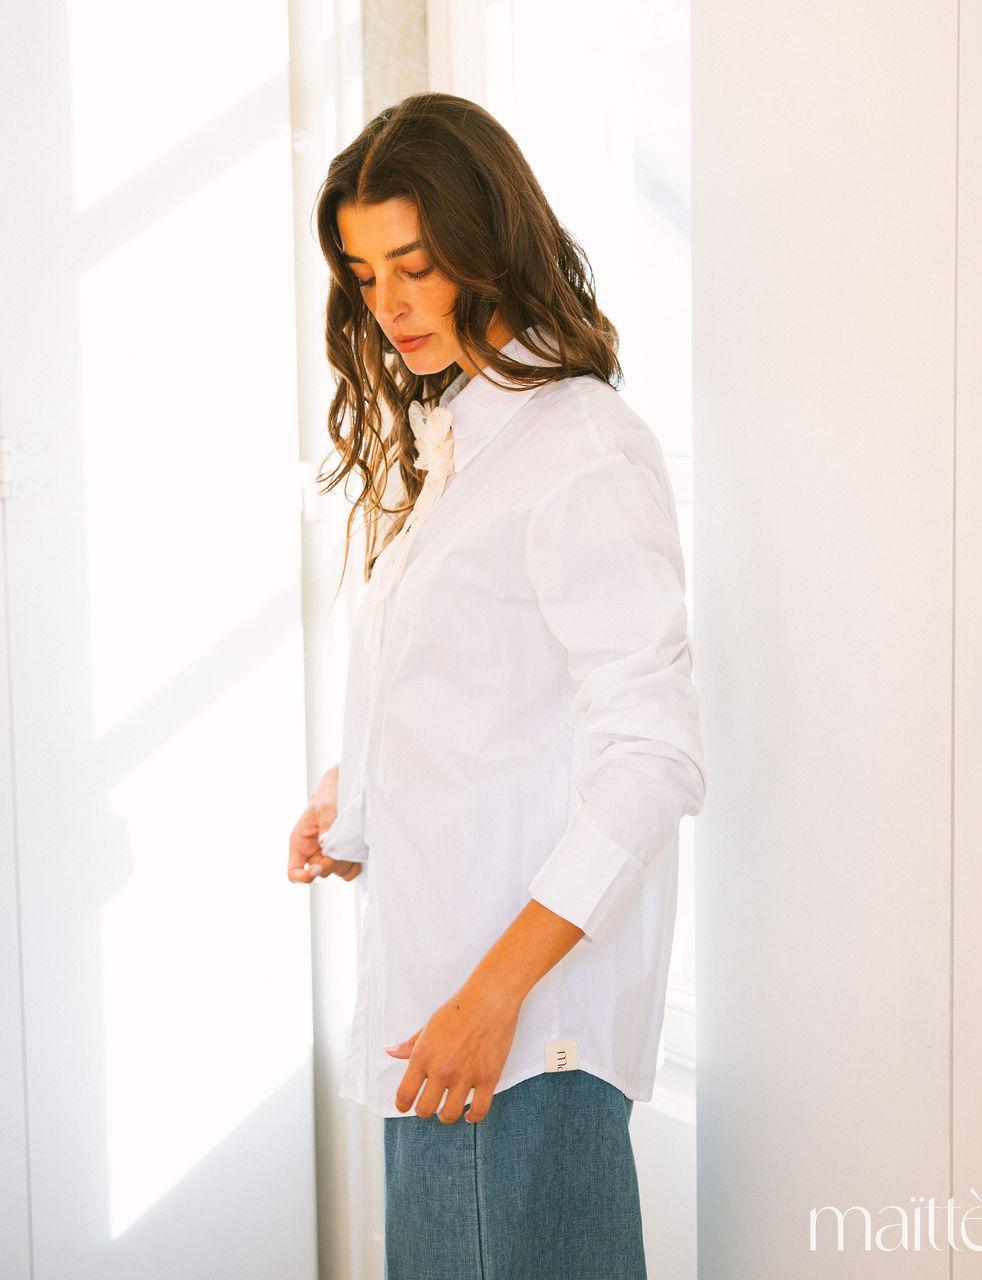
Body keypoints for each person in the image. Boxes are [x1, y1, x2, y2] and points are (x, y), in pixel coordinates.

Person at [287, 92, 707, 1280]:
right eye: (366, 274)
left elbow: (652, 754)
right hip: (448, 1023)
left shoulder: (578, 447)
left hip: (516, 1038)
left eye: (417, 266)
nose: (391, 305)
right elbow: (486, 699)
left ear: (489, 243)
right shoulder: (469, 444)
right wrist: (354, 800)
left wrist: (492, 995)